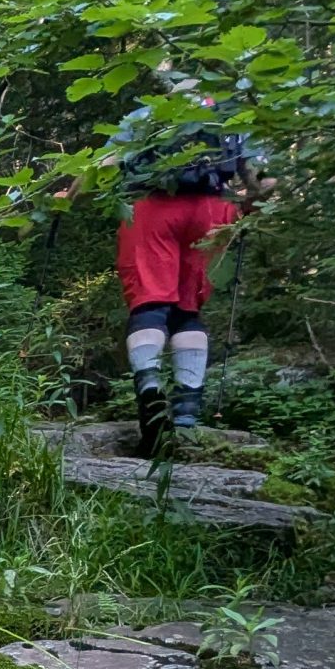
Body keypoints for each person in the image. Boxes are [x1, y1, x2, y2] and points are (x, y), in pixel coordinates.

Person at [115, 118, 253, 450]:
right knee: (187, 310)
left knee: (150, 302)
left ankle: (150, 386)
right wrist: (250, 207)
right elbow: (264, 180)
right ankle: (186, 416)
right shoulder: (229, 118)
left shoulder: (148, 115)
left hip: (151, 207)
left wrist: (69, 195)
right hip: (212, 211)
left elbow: (106, 163)